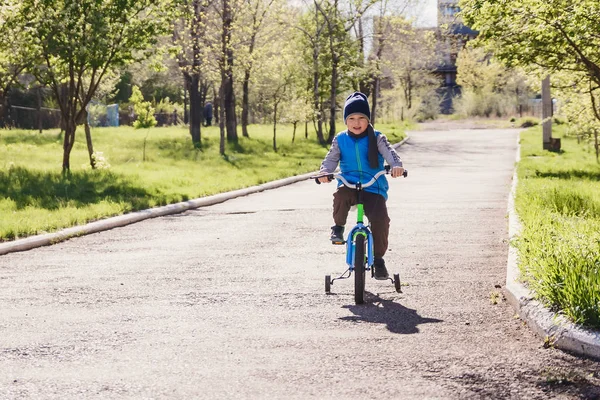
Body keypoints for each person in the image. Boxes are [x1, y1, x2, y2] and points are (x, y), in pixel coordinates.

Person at [318, 92, 404, 280]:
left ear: (368, 120)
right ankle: (338, 228)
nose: (357, 123)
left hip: (374, 187)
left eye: (361, 118)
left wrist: (396, 166)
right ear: (346, 121)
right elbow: (331, 159)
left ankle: (379, 259)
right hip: (349, 184)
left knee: (381, 220)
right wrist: (324, 172)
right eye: (352, 119)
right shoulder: (340, 139)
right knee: (340, 196)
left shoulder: (377, 137)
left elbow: (390, 153)